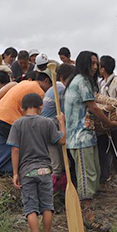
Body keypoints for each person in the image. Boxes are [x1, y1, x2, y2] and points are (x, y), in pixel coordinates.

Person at [64, 51, 117, 231]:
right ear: (84, 64)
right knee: (86, 176)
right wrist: (109, 122)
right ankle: (87, 214)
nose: (95, 67)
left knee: (92, 173)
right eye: (92, 64)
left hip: (86, 135)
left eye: (96, 64)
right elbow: (94, 107)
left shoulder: (80, 81)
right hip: (80, 138)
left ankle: (87, 210)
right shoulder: (81, 81)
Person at [7, 93, 66, 232]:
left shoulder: (17, 124)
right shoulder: (47, 122)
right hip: (45, 170)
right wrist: (61, 123)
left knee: (31, 208)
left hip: (27, 171)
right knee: (47, 206)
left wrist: (15, 173)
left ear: (22, 108)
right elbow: (62, 140)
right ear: (41, 107)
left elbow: (15, 150)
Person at [97, 55, 117, 194]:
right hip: (104, 126)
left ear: (102, 69)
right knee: (103, 155)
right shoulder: (102, 83)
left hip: (116, 125)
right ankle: (103, 182)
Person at [41, 63, 76, 191]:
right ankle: (48, 194)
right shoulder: (60, 89)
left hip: (52, 127)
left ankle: (62, 190)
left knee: (62, 164)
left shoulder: (54, 88)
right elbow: (65, 114)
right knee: (56, 166)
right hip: (51, 128)